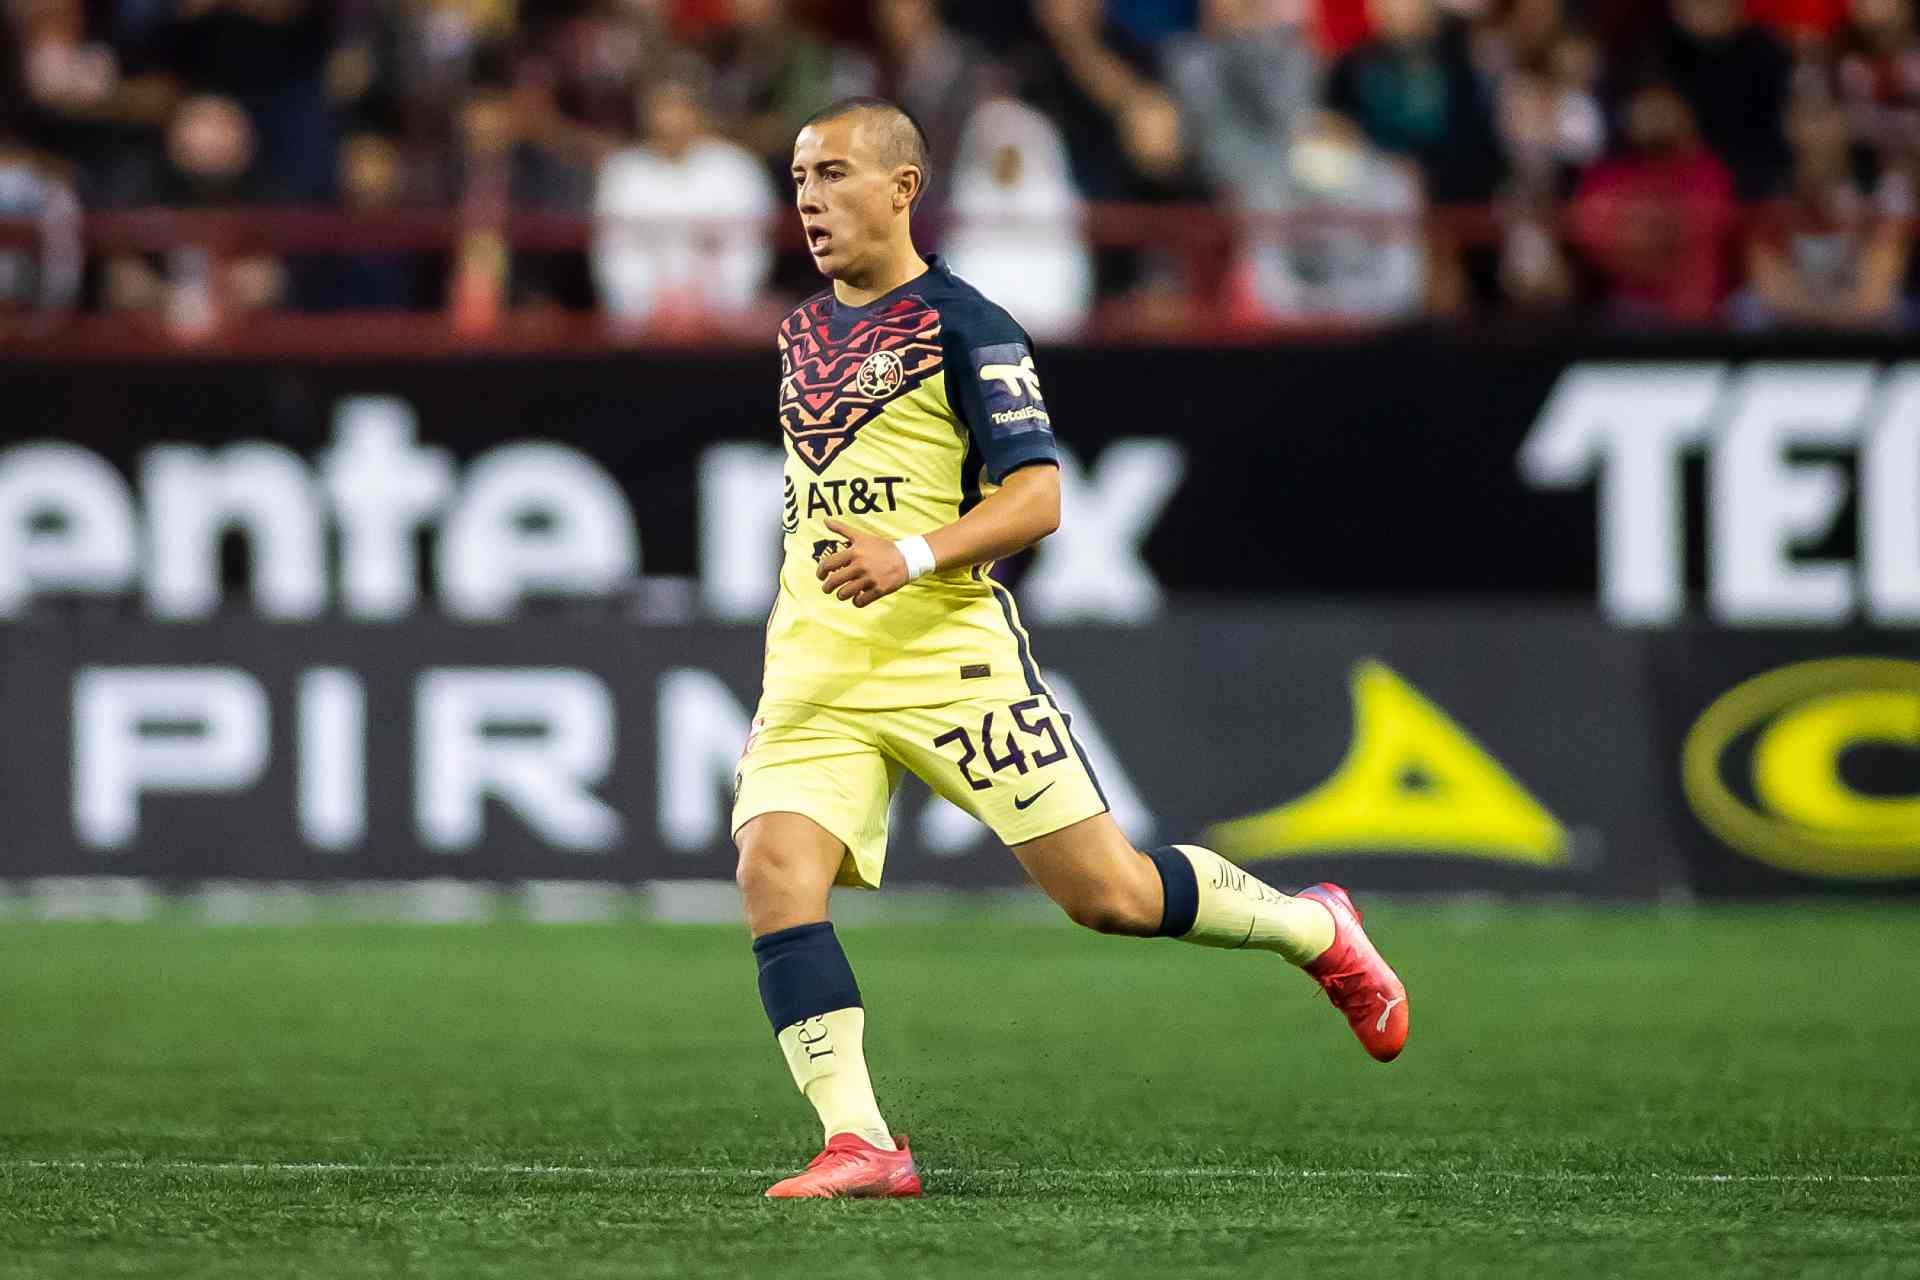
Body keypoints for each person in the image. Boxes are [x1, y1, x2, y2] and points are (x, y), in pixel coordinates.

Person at [734, 96, 1410, 1201]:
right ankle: (860, 1139)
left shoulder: (971, 325)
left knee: (1111, 895)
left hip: (947, 656)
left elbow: (1040, 497)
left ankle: (1313, 925)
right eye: (800, 177)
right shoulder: (801, 329)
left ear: (904, 187)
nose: (809, 198)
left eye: (836, 174)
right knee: (773, 870)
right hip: (815, 660)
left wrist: (911, 553)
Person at [593, 72, 775, 325]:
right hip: (643, 319)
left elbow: (750, 247)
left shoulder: (737, 168)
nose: (670, 120)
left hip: (724, 317)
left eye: (679, 108)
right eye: (661, 109)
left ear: (698, 112)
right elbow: (614, 253)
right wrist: (645, 305)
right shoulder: (622, 172)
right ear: (645, 116)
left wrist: (720, 302)